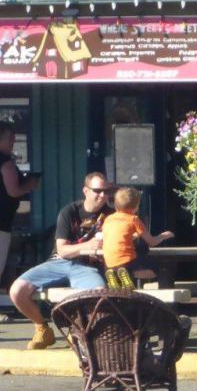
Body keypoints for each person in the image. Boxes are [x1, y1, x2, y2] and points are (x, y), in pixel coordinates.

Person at [9, 172, 114, 349]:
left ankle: (82, 333)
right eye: (97, 191)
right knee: (16, 291)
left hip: (88, 266)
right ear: (85, 190)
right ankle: (42, 328)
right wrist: (87, 246)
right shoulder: (69, 211)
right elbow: (63, 250)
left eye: (106, 191)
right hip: (58, 263)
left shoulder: (112, 216)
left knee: (99, 293)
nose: (103, 195)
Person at [102, 187, 174, 290]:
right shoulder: (133, 219)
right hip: (127, 262)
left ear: (116, 205)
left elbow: (117, 236)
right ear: (136, 207)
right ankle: (130, 273)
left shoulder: (108, 219)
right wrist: (164, 235)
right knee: (161, 269)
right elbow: (152, 242)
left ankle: (115, 275)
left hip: (108, 263)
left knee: (119, 270)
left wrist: (133, 236)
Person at [0, 122, 40, 284]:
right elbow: (13, 191)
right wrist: (29, 185)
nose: (13, 142)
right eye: (10, 138)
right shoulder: (6, 163)